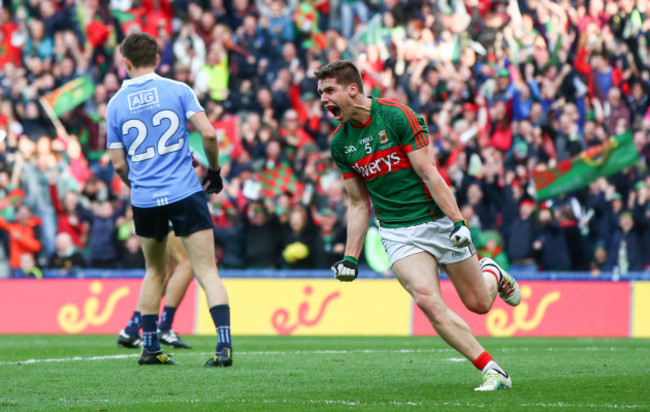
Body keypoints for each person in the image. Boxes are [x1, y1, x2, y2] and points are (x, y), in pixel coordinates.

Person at [316, 60, 521, 391]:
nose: (323, 99)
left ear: (352, 89)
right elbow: (357, 203)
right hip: (397, 232)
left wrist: (458, 221)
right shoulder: (340, 143)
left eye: (329, 91)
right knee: (427, 299)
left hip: (438, 221)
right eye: (320, 93)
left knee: (479, 304)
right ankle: (493, 370)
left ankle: (492, 273)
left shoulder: (396, 116)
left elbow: (429, 173)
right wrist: (350, 257)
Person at [107, 32, 232, 367]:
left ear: (126, 62)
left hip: (146, 197)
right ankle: (223, 346)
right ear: (158, 59)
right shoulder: (178, 89)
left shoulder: (115, 103)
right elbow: (208, 133)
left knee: (154, 270)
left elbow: (119, 163)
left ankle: (149, 347)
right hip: (185, 191)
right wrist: (215, 172)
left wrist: (135, 185)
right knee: (207, 269)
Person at [117, 232, 194, 349]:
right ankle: (164, 327)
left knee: (165, 270)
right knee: (186, 263)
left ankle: (132, 328)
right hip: (171, 216)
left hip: (149, 218)